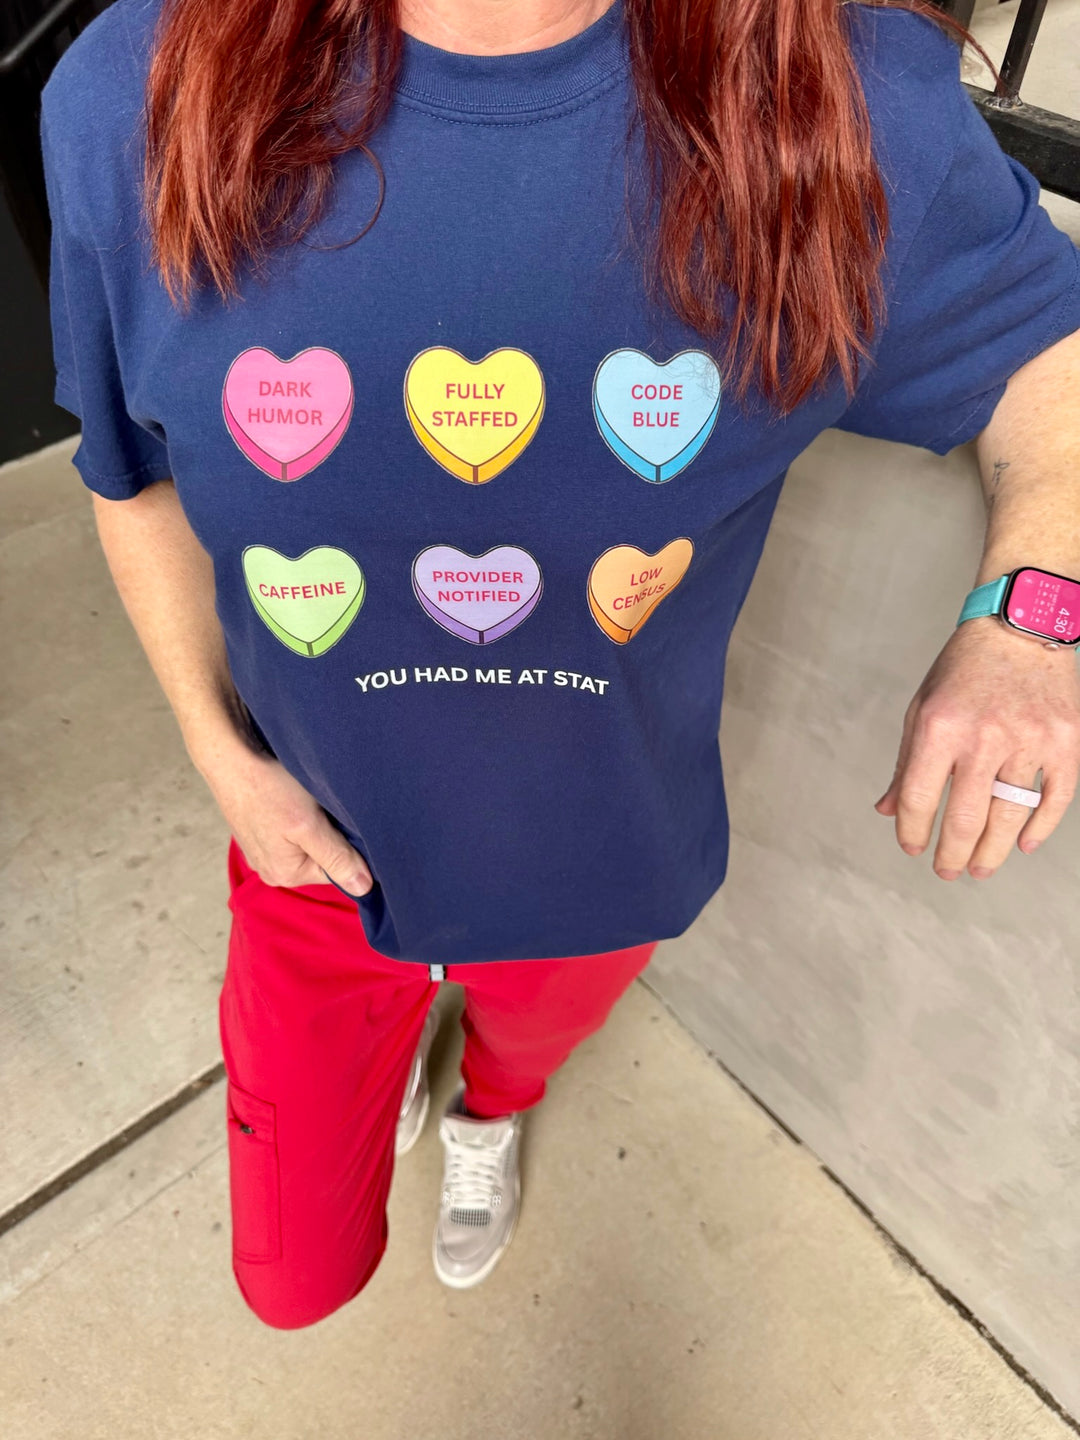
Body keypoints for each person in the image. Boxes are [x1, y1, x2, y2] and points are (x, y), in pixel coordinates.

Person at [40, 0, 1080, 1328]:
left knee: (526, 1046)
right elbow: (133, 481)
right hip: (306, 848)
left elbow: (1050, 362)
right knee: (291, 1285)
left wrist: (1031, 615)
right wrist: (214, 753)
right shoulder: (142, 86)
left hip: (603, 850)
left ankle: (492, 1101)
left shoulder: (845, 94)